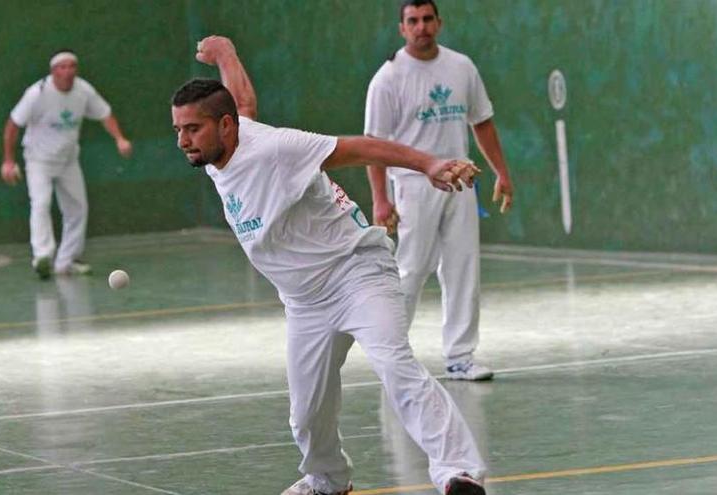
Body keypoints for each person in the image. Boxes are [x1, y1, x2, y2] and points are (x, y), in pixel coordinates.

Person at [172, 35, 487, 495]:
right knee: (307, 412)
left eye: (191, 130)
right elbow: (242, 101)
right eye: (178, 130)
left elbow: (363, 147)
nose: (182, 141)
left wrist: (430, 163)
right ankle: (327, 481)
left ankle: (459, 472)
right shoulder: (228, 137)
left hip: (356, 273)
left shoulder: (278, 148)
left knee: (395, 365)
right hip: (304, 301)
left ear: (223, 127)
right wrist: (227, 55)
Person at [364, 0, 514, 381]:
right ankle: (392, 356)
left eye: (427, 19)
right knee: (411, 270)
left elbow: (482, 122)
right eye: (413, 21)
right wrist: (381, 199)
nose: (421, 27)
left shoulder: (461, 67)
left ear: (439, 23)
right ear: (402, 29)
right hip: (413, 185)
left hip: (462, 181)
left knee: (463, 269)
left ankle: (461, 356)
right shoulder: (388, 78)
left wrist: (501, 172)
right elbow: (373, 145)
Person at [1, 49, 132, 279]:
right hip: (38, 160)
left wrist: (119, 138)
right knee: (40, 203)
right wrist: (8, 161)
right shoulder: (37, 93)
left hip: (68, 160)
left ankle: (66, 261)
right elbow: (13, 124)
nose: (68, 71)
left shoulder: (83, 90)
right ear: (53, 71)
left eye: (72, 66)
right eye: (63, 67)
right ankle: (42, 256)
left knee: (77, 209)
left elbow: (105, 113)